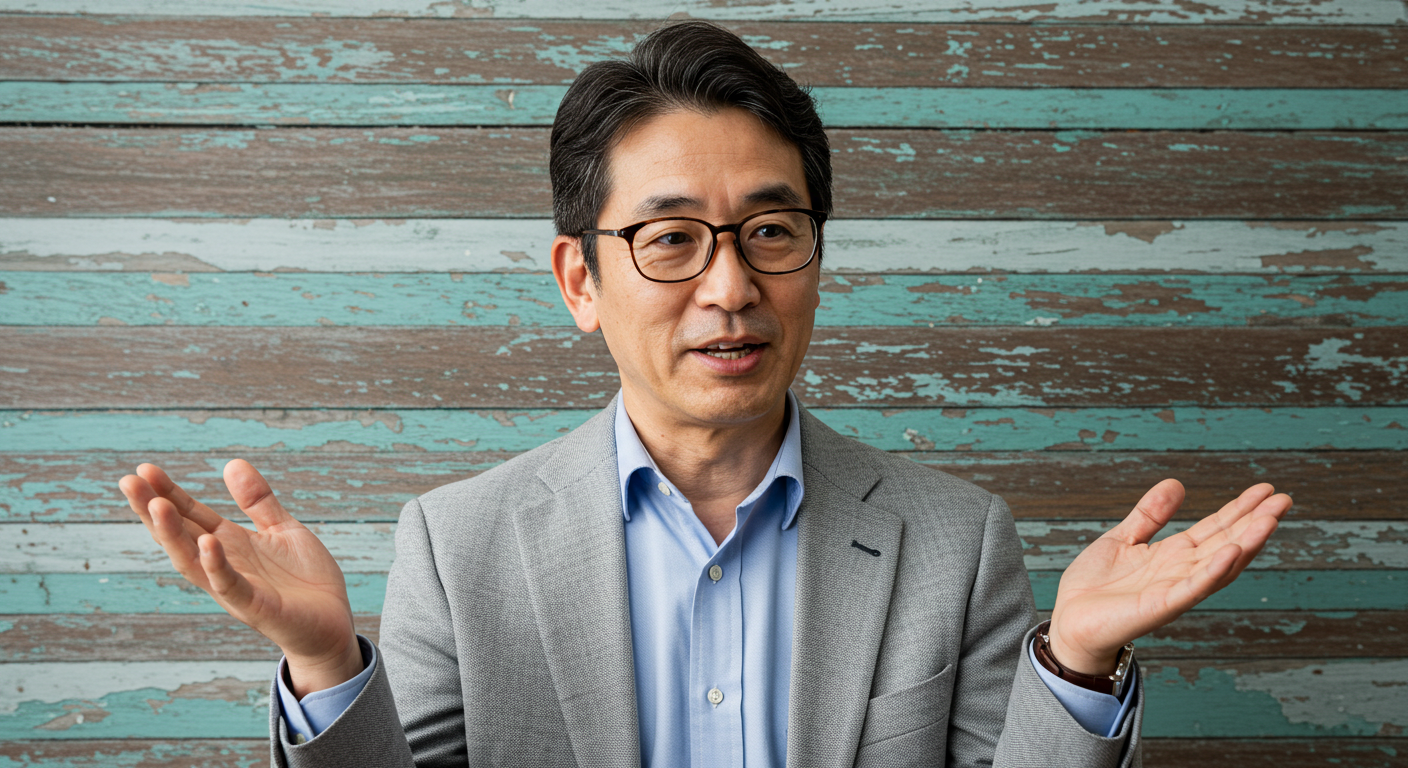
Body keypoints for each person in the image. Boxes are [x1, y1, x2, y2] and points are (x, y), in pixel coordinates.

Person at [118, 20, 1290, 768]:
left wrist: (1072, 663)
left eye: (771, 231)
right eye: (671, 239)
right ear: (580, 280)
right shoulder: (459, 542)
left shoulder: (954, 538)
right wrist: (329, 668)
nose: (731, 288)